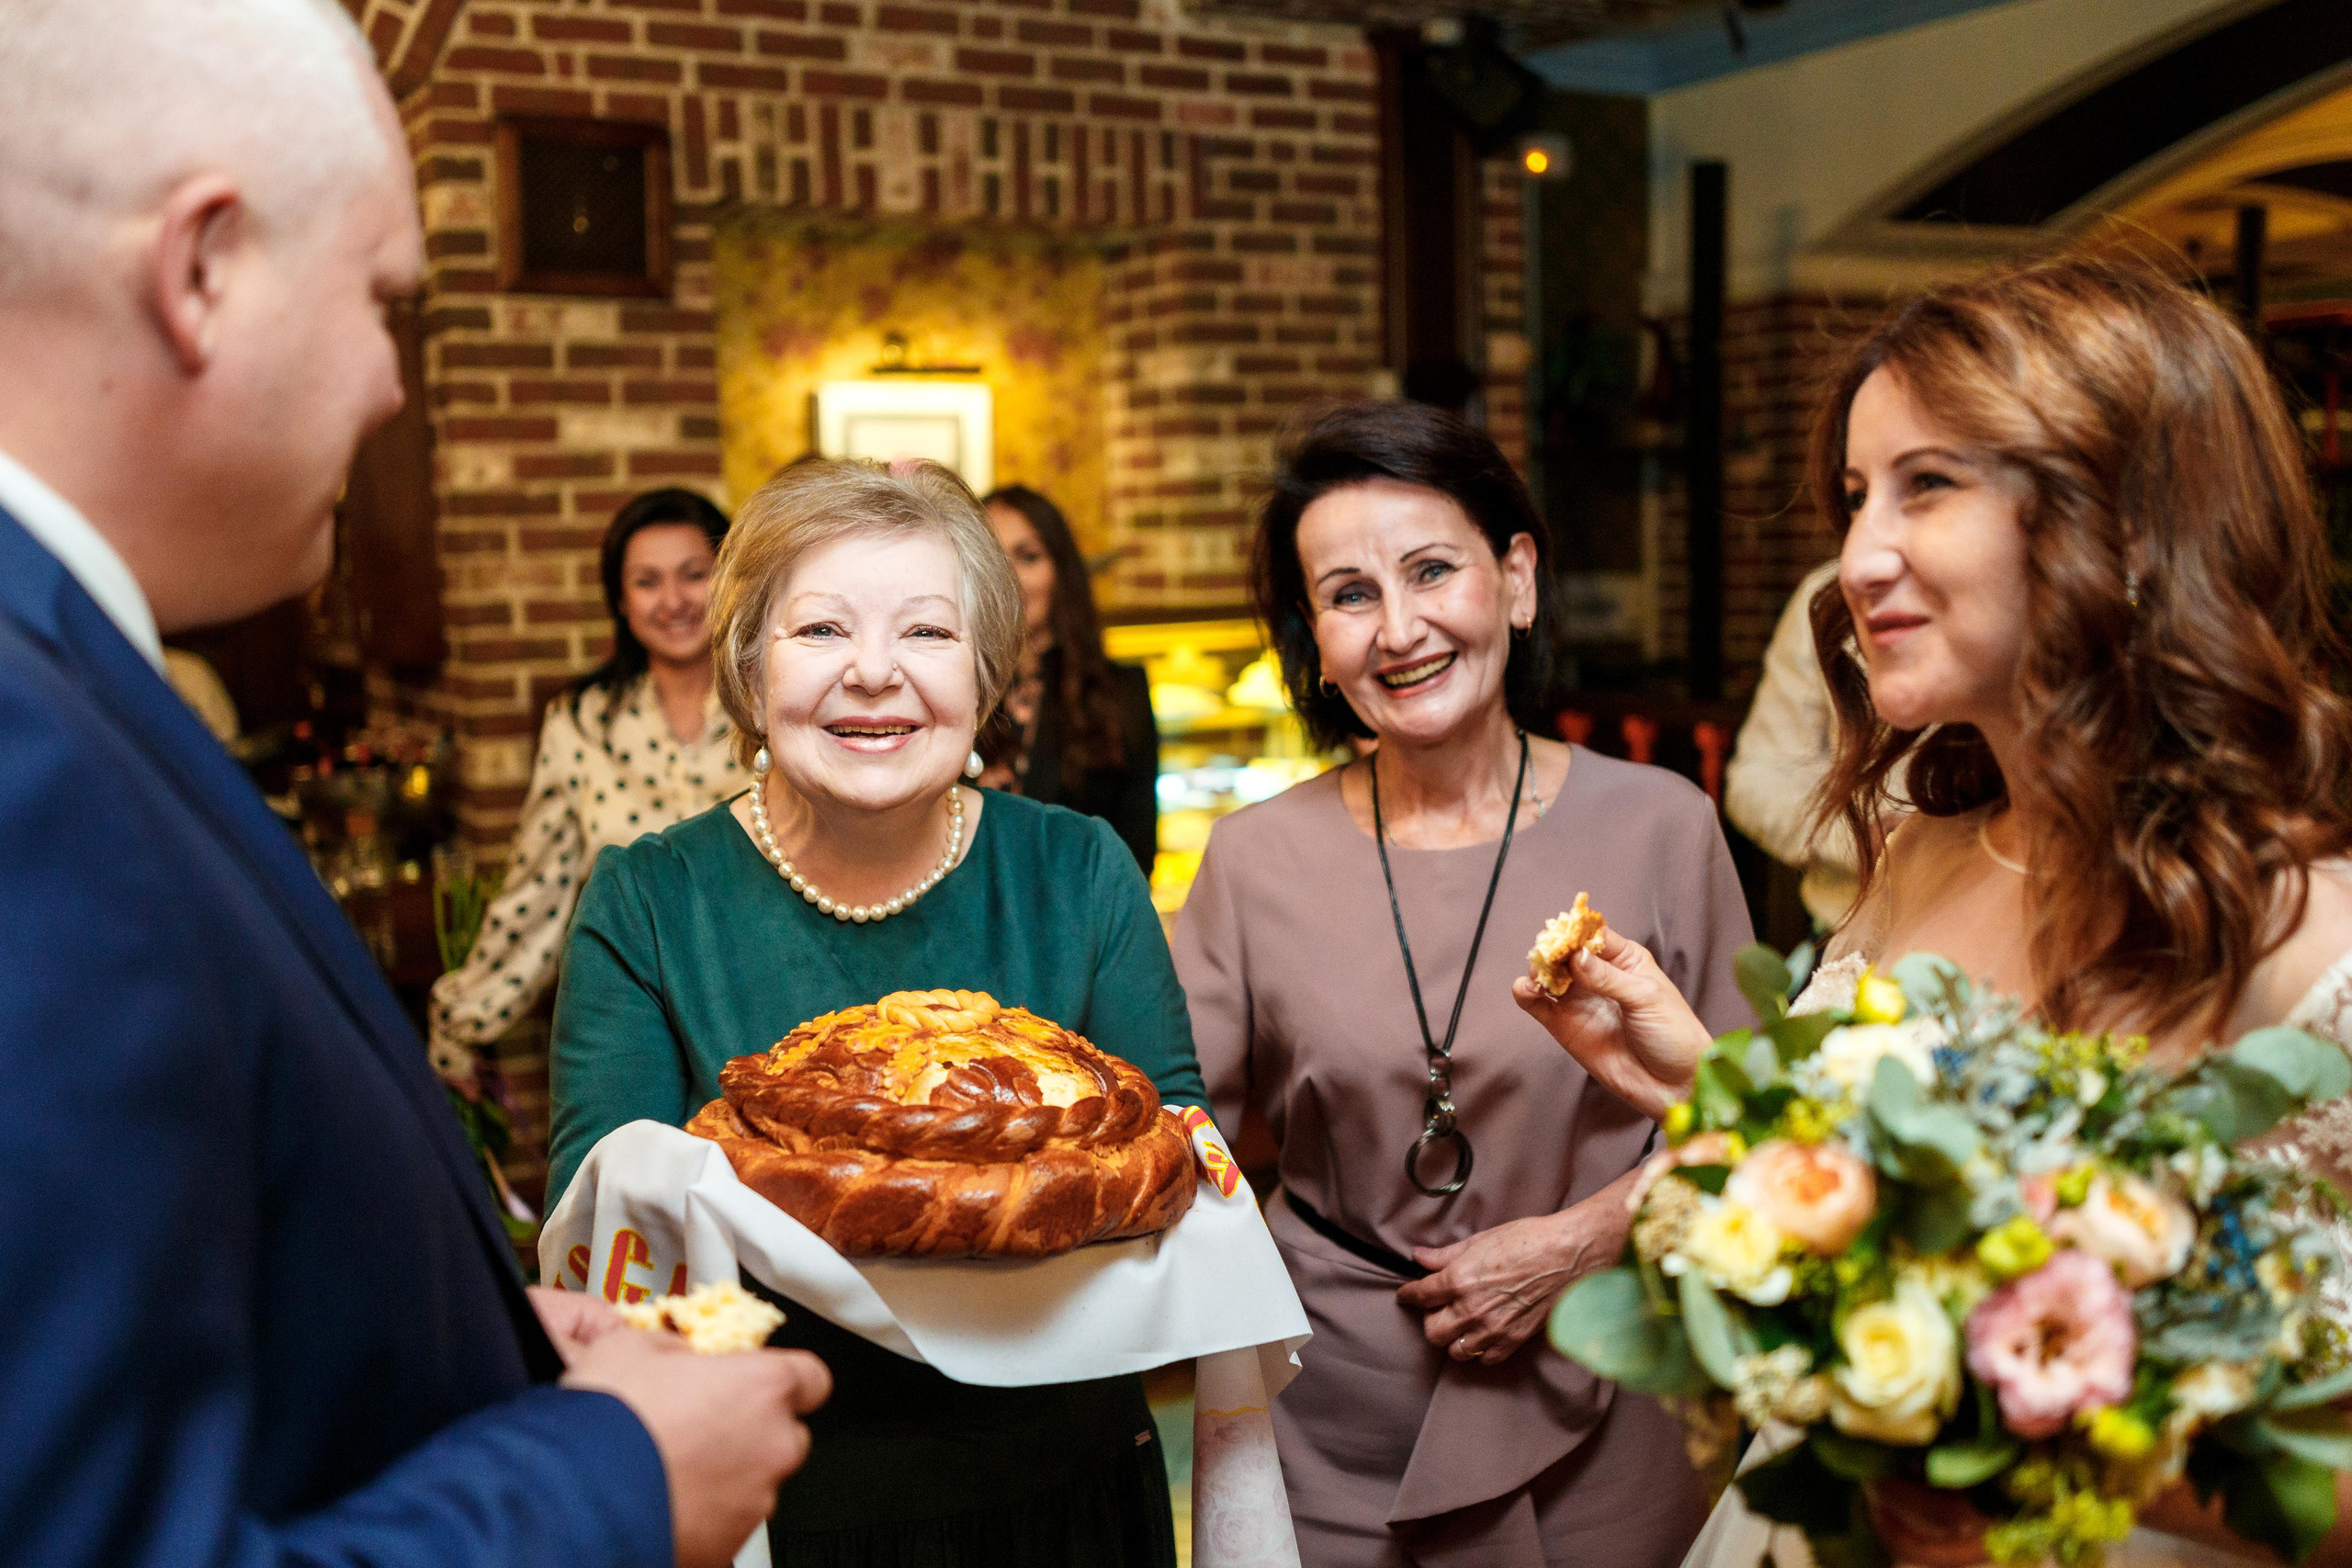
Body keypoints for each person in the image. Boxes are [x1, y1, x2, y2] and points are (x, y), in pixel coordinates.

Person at [0, 3, 828, 1566]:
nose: (392, 382)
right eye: (385, 302)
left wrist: (462, 1345)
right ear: (201, 272)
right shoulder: (24, 750)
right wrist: (616, 1474)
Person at [1517, 254, 2352, 1568]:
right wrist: (1713, 1094)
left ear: (2125, 514)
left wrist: (2036, 1453)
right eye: (1856, 496)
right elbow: (1881, 1202)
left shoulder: (2317, 947)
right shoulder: (1917, 853)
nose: (1857, 558)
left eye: (1929, 484)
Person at [547, 457, 1209, 1567]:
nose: (872, 674)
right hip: (780, 1505)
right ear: (748, 671)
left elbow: (1174, 1154)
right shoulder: (650, 899)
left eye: (926, 634)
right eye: (818, 632)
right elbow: (615, 1222)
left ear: (988, 674)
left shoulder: (1076, 867)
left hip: (1068, 1489)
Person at [1172, 401, 1754, 1567]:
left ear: (1517, 579)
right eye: (1348, 596)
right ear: (1313, 639)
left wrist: (1583, 1242)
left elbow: (1763, 1127)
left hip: (1615, 1381)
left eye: (1431, 570)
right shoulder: (1252, 858)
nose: (1398, 630)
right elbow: (1186, 1144)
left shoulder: (1659, 825)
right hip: (1338, 1414)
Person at [428, 487, 743, 1093]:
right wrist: (464, 1023)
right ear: (620, 601)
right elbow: (537, 890)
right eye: (648, 581)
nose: (674, 599)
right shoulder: (580, 722)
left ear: (729, 581)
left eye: (694, 574)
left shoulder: (777, 710)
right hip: (629, 1024)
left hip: (760, 1013)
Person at [978, 484, 1159, 872]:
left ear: (1061, 572)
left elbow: (1135, 858)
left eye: (1028, 557)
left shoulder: (1118, 695)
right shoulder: (944, 690)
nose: (1007, 576)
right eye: (990, 557)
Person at [1724, 558, 1871, 928]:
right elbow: (1758, 777)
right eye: (1857, 502)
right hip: (1847, 932)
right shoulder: (1827, 596)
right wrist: (1855, 837)